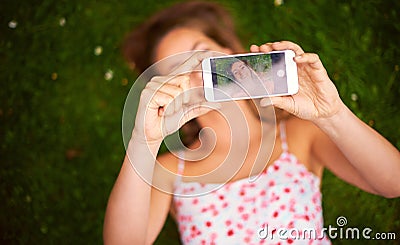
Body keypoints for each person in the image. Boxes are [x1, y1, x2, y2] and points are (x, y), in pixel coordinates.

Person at [103, 1, 400, 244]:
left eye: (200, 53)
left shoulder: (298, 134)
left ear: (230, 52)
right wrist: (144, 142)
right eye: (176, 68)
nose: (196, 72)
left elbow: (393, 182)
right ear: (170, 91)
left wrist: (333, 113)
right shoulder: (170, 170)